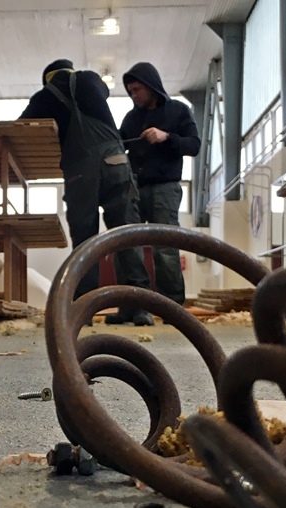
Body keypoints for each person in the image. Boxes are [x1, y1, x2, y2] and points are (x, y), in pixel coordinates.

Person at [19, 58, 154, 326]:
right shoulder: (91, 79)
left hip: (81, 171)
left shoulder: (45, 95)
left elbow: (21, 127)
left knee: (85, 242)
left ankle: (84, 310)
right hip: (116, 163)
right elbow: (103, 94)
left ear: (48, 78)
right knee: (126, 236)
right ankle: (138, 309)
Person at [112, 62, 201, 316]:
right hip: (134, 189)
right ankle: (131, 307)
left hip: (165, 188)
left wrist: (167, 137)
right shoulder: (131, 119)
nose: (133, 95)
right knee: (127, 246)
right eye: (130, 91)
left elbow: (194, 145)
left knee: (165, 248)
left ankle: (172, 308)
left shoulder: (178, 111)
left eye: (137, 89)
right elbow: (118, 144)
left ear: (151, 86)